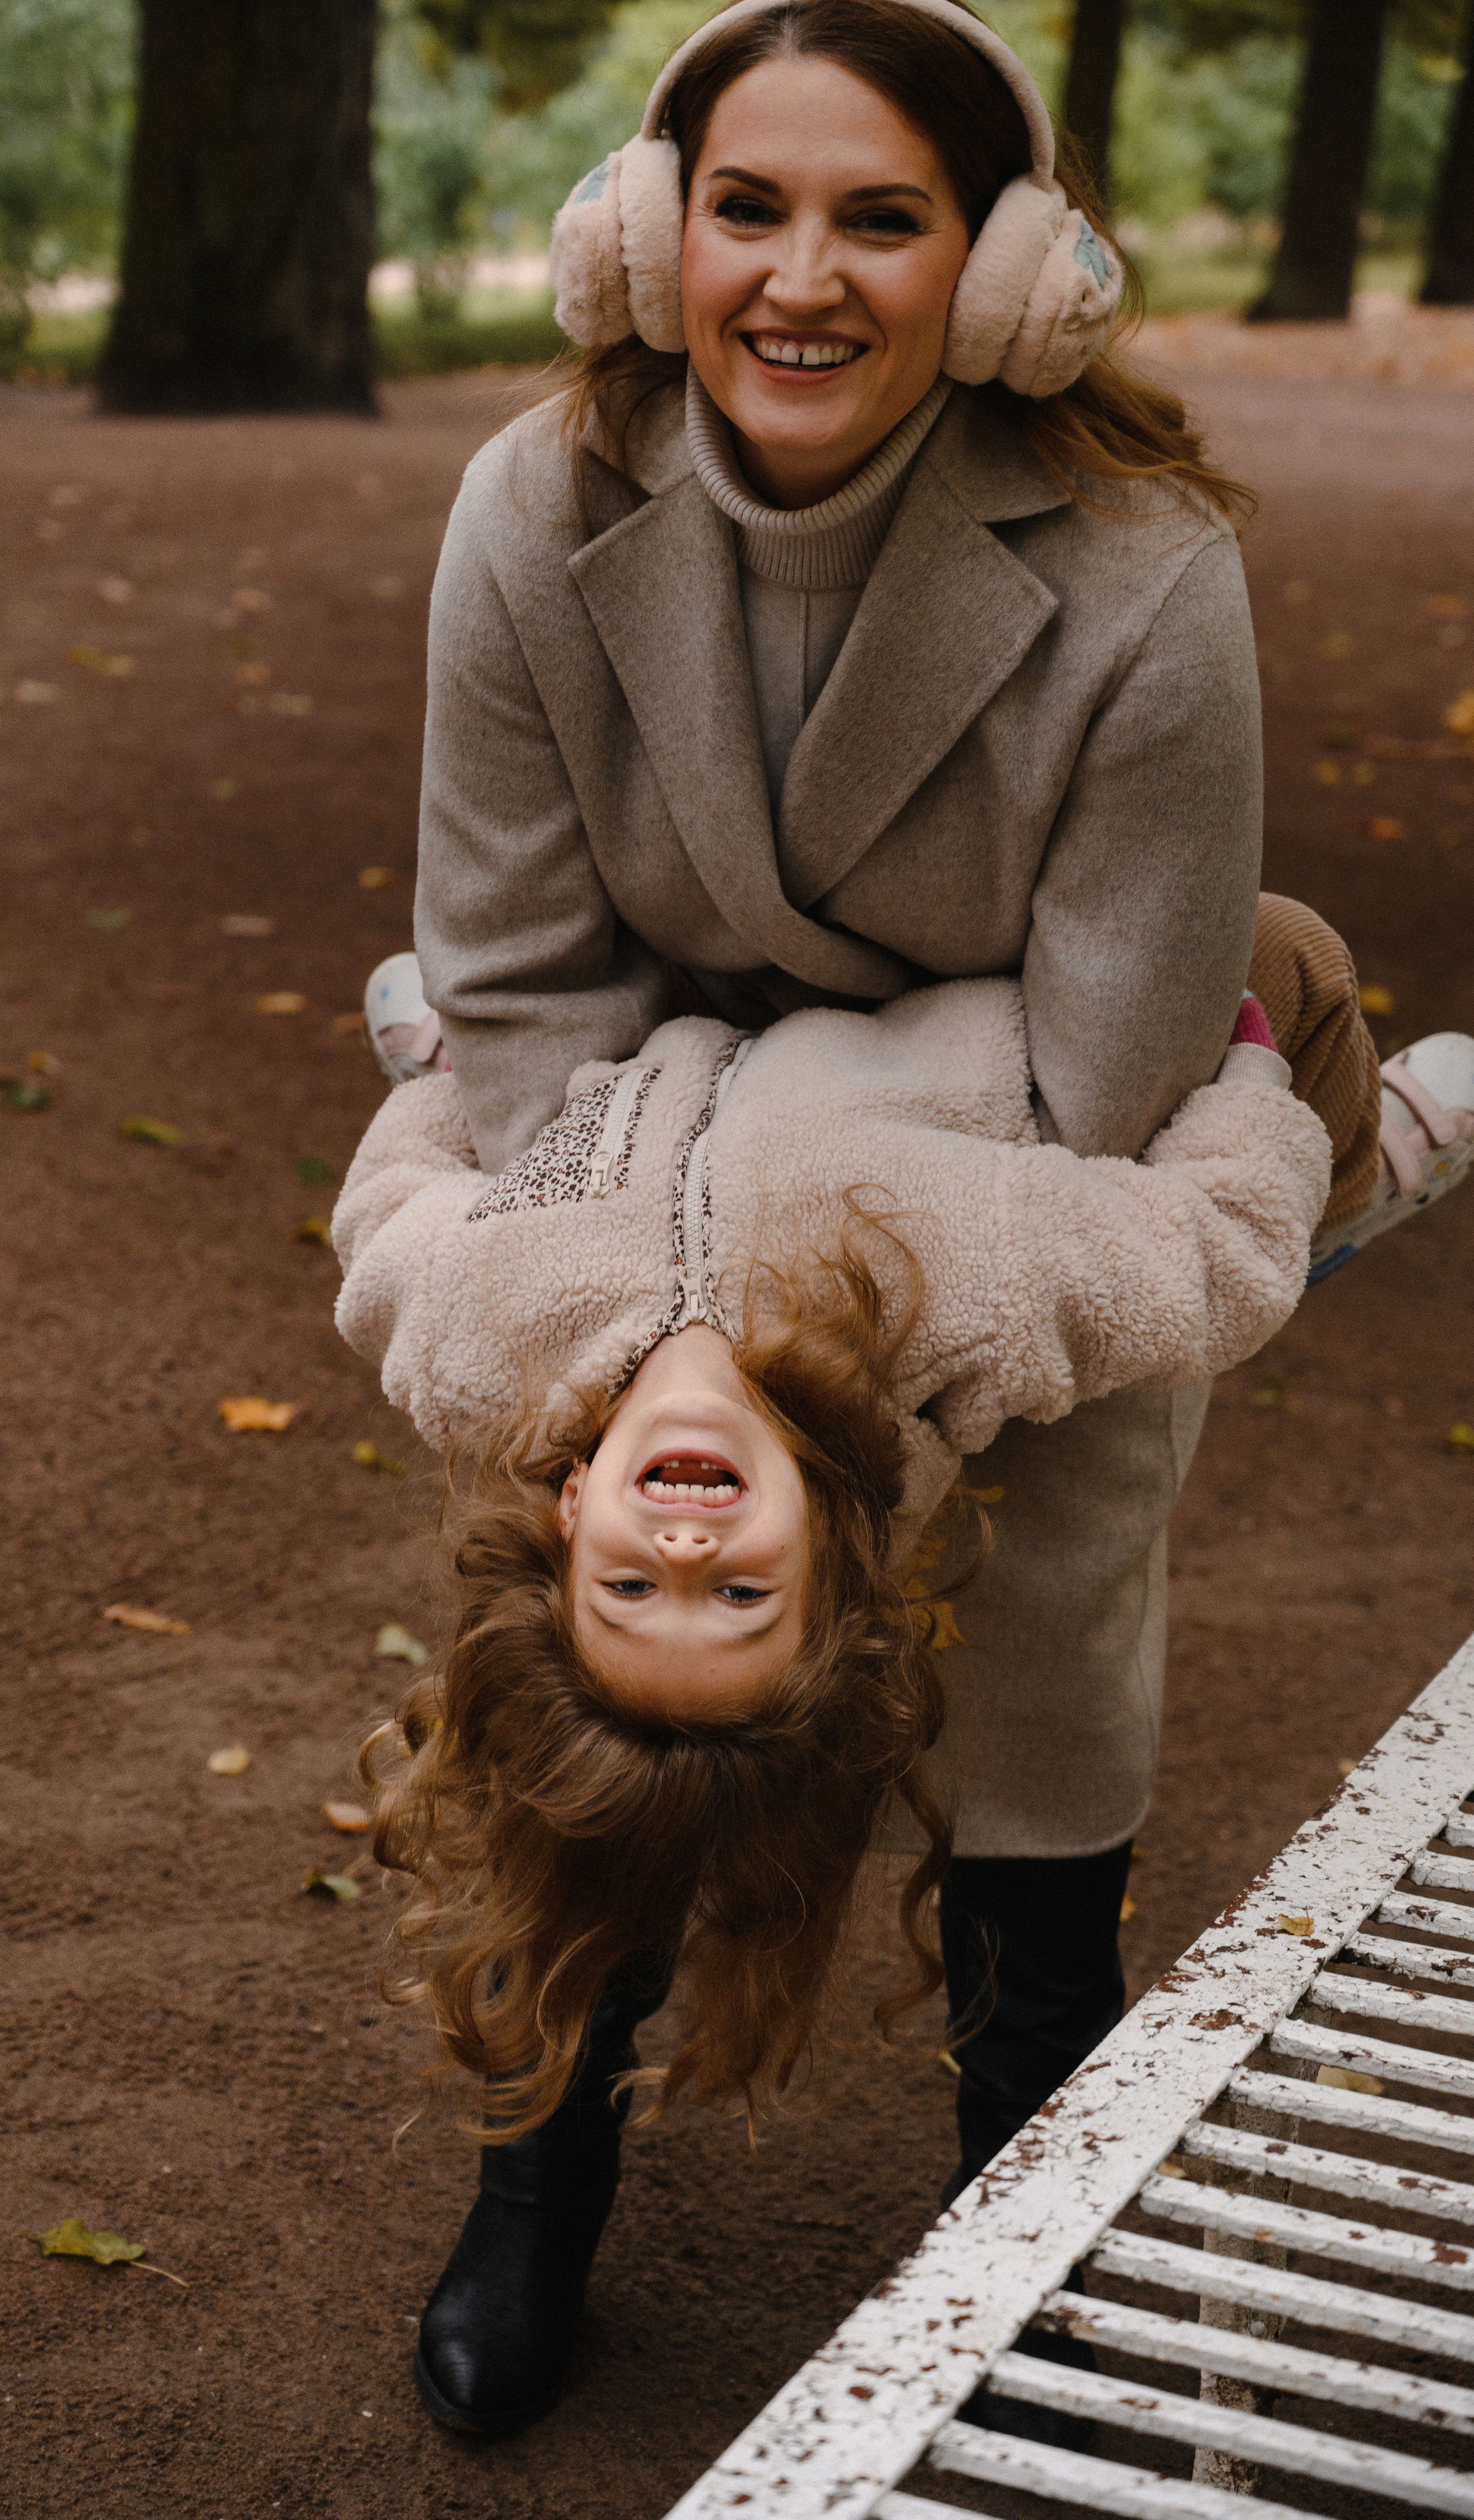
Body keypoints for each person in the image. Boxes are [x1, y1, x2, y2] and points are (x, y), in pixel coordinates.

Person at [358, 0, 1474, 2436]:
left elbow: (1105, 1095)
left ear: (1003, 270)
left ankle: (1032, 2207)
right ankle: (540, 2167)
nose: (802, 274)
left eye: (884, 217)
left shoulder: (1144, 578)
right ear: (653, 235)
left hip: (1015, 1162)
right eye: (748, 205)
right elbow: (523, 987)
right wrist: (660, 1261)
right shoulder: (534, 516)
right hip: (640, 1121)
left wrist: (845, 1358)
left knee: (1055, 1632)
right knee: (616, 1663)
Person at [336, 903, 1473, 2437]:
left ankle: (1021, 2258)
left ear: (566, 1514)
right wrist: (1246, 1097)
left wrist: (459, 1086)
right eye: (727, 1582)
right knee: (625, 1772)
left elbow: (387, 1227)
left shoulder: (488, 1332)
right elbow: (1200, 1248)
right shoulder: (956, 1286)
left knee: (1036, 1680)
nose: (677, 1551)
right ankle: (537, 2184)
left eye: (638, 1571)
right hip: (939, 1206)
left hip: (968, 1061)